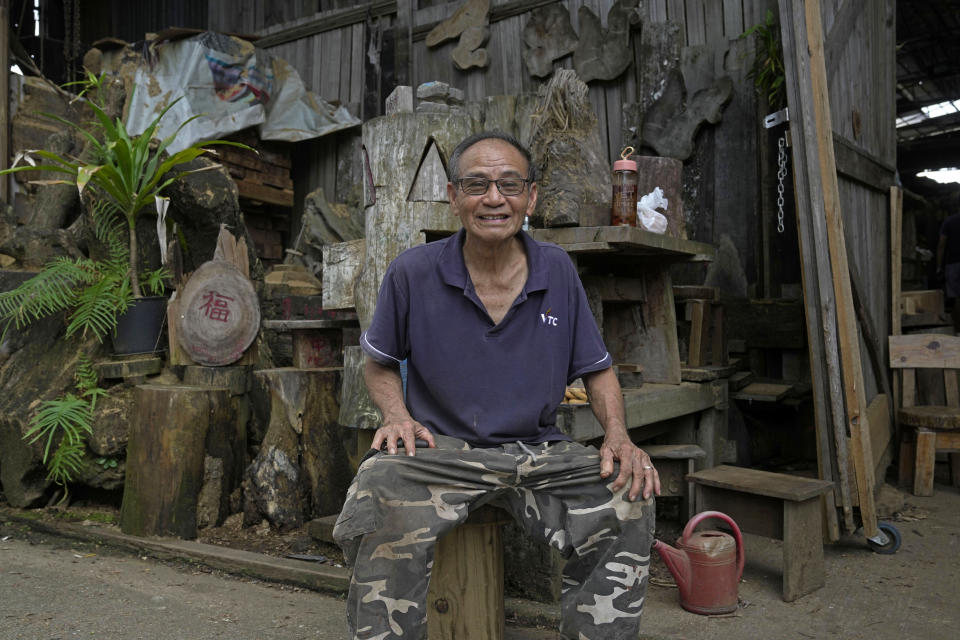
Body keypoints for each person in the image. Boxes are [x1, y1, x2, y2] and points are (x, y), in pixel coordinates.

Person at [333, 131, 660, 640]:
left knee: (628, 492)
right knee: (378, 487)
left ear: (530, 197)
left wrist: (618, 434)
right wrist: (397, 417)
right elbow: (378, 363)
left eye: (509, 185)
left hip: (538, 450)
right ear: (453, 195)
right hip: (442, 452)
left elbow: (597, 369)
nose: (493, 198)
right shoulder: (413, 272)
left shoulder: (557, 270)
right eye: (477, 184)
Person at [937, 200, 960, 332]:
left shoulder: (949, 222)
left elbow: (941, 245)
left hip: (953, 265)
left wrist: (939, 266)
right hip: (953, 265)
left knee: (957, 299)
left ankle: (957, 332)